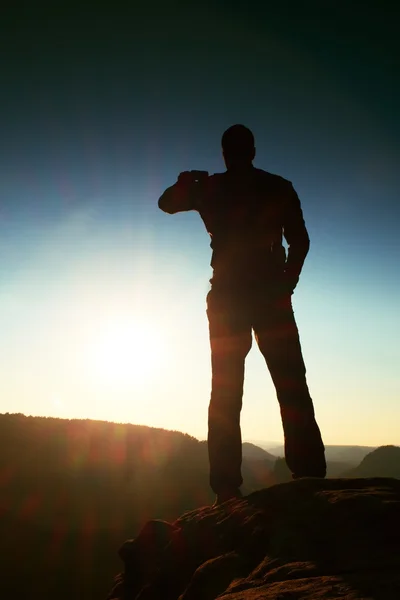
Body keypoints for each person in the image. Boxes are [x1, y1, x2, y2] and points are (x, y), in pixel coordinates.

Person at [158, 124, 326, 505]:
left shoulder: (210, 188)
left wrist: (186, 181)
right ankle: (309, 473)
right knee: (291, 384)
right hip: (269, 296)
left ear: (224, 153)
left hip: (230, 296)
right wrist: (288, 282)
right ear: (252, 151)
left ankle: (226, 488)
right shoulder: (278, 186)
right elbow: (300, 240)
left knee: (226, 390)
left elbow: (166, 203)